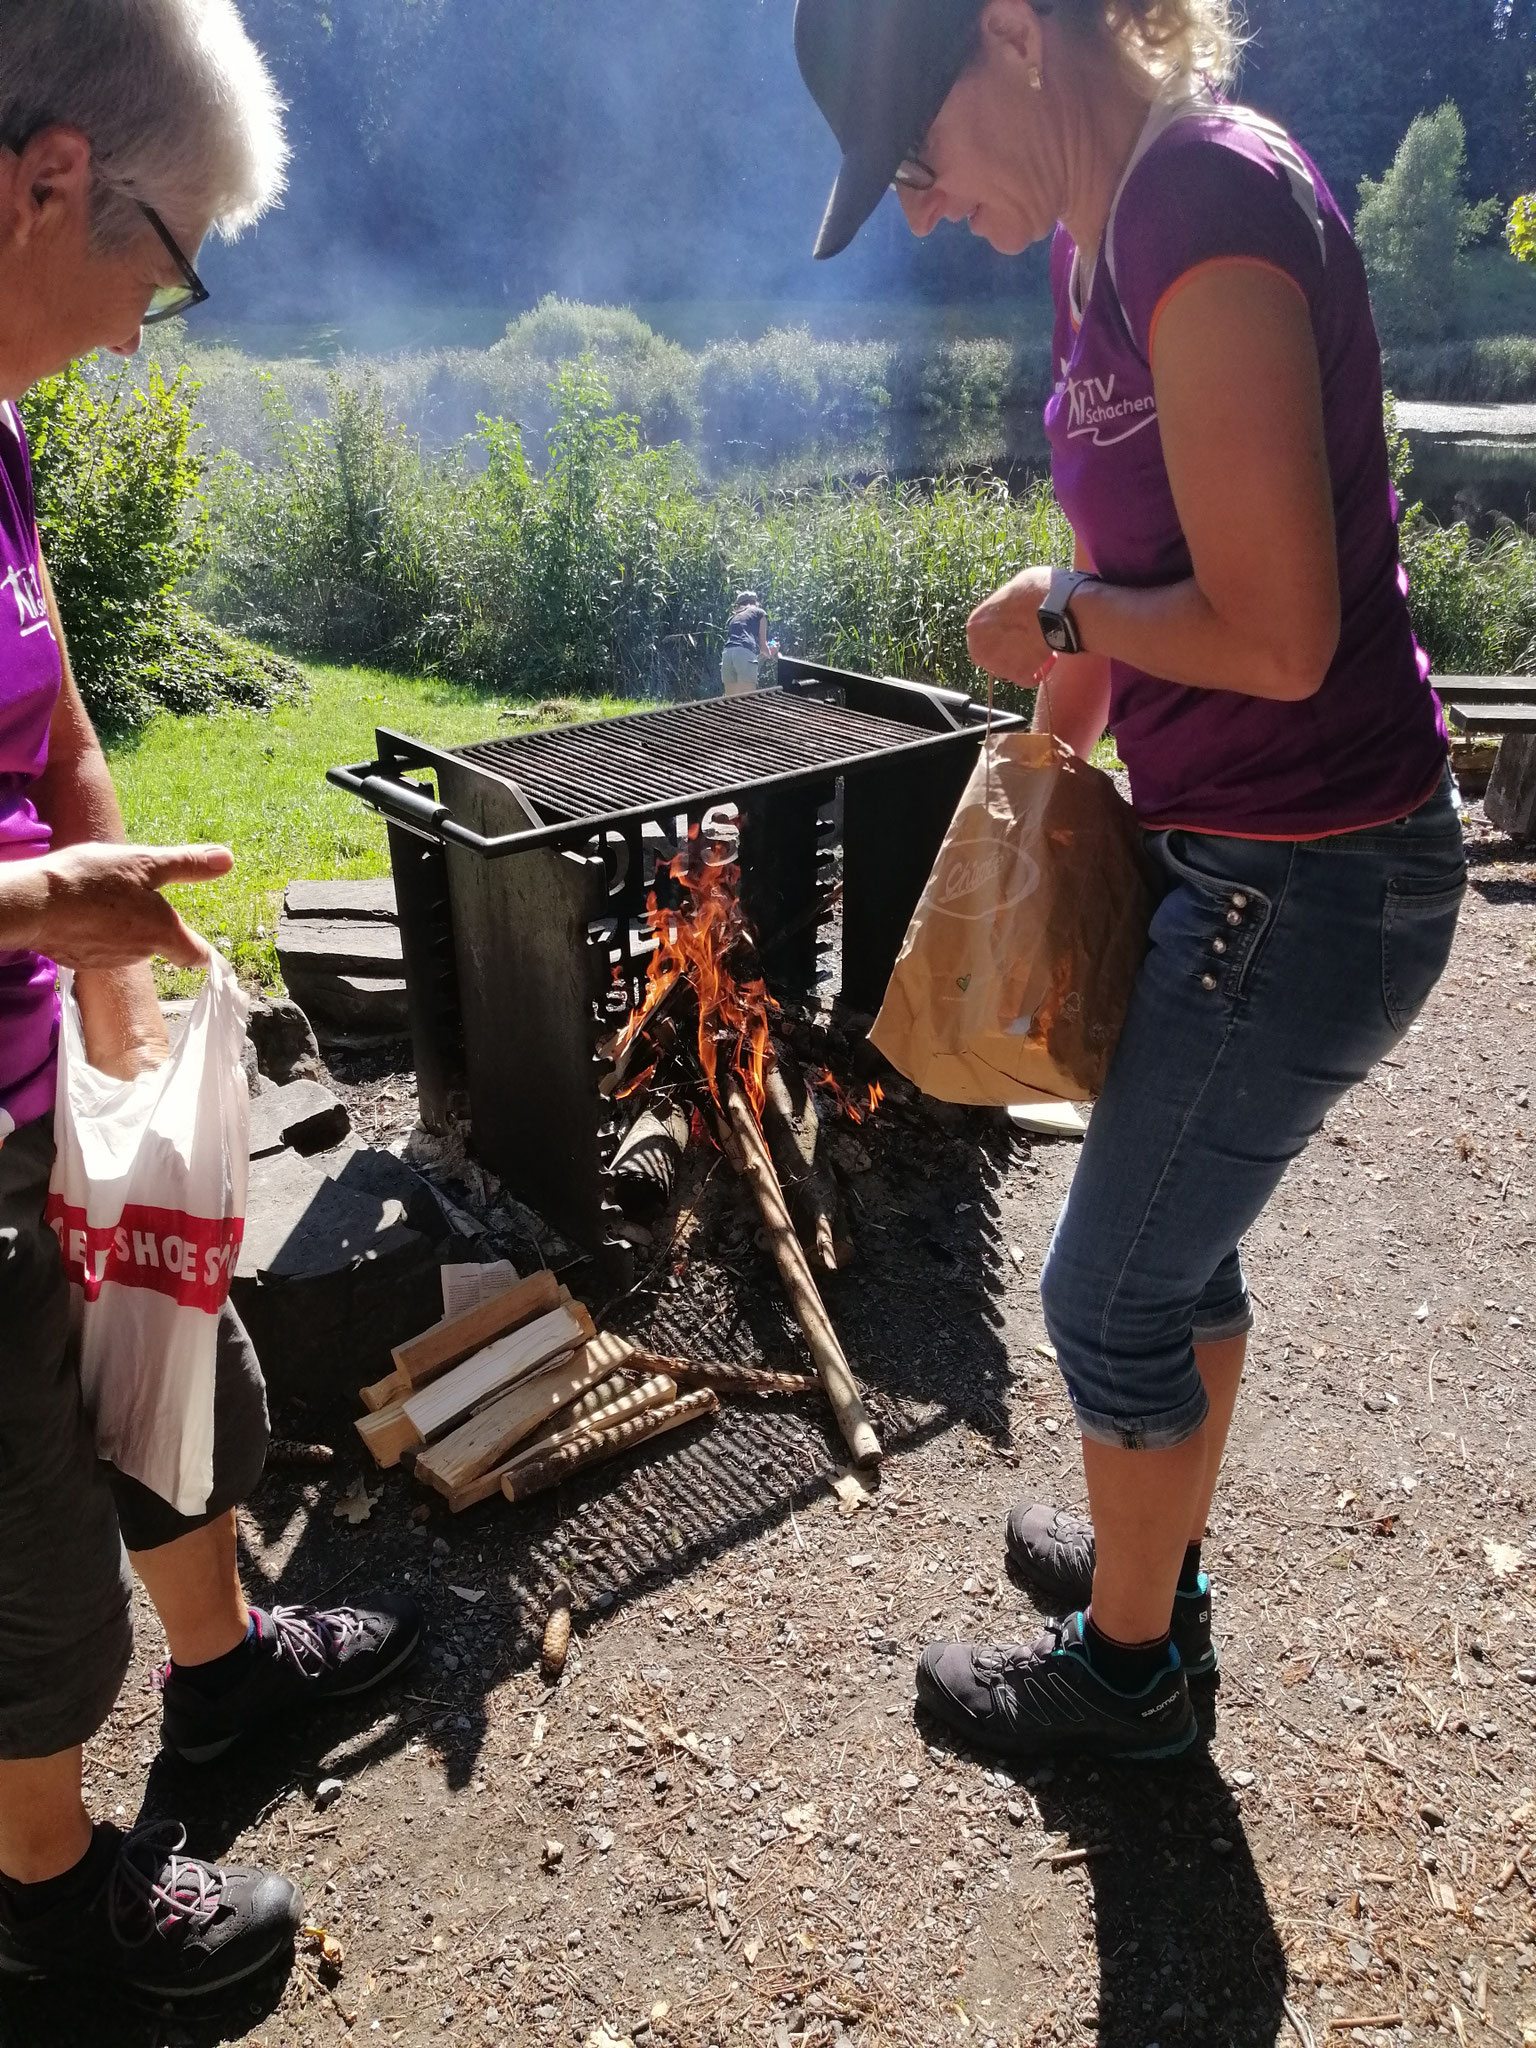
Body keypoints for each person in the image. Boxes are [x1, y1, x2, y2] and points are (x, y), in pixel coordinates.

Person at [795, 0, 1465, 1760]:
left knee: (1106, 1293)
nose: (925, 210)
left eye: (915, 160)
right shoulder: (1101, 237)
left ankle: (1130, 1673)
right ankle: (1149, 1570)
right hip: (1230, 856)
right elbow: (1115, 547)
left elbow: (1276, 628)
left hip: (1316, 876)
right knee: (1184, 1259)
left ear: (1011, 31)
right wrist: (1041, 761)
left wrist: (1065, 618)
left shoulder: (1203, 205)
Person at [0, 1, 420, 1998]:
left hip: (36, 1049)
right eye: (159, 269)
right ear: (50, 177)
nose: (135, 328)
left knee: (193, 1377)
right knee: (22, 1555)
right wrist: (30, 908)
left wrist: (104, 957)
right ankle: (47, 1901)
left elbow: (58, 707)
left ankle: (231, 1679)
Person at [720, 589, 774, 697]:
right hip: (744, 655)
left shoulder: (733, 617)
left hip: (727, 655)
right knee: (747, 702)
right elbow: (763, 648)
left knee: (731, 703)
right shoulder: (759, 613)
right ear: (755, 602)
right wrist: (773, 654)